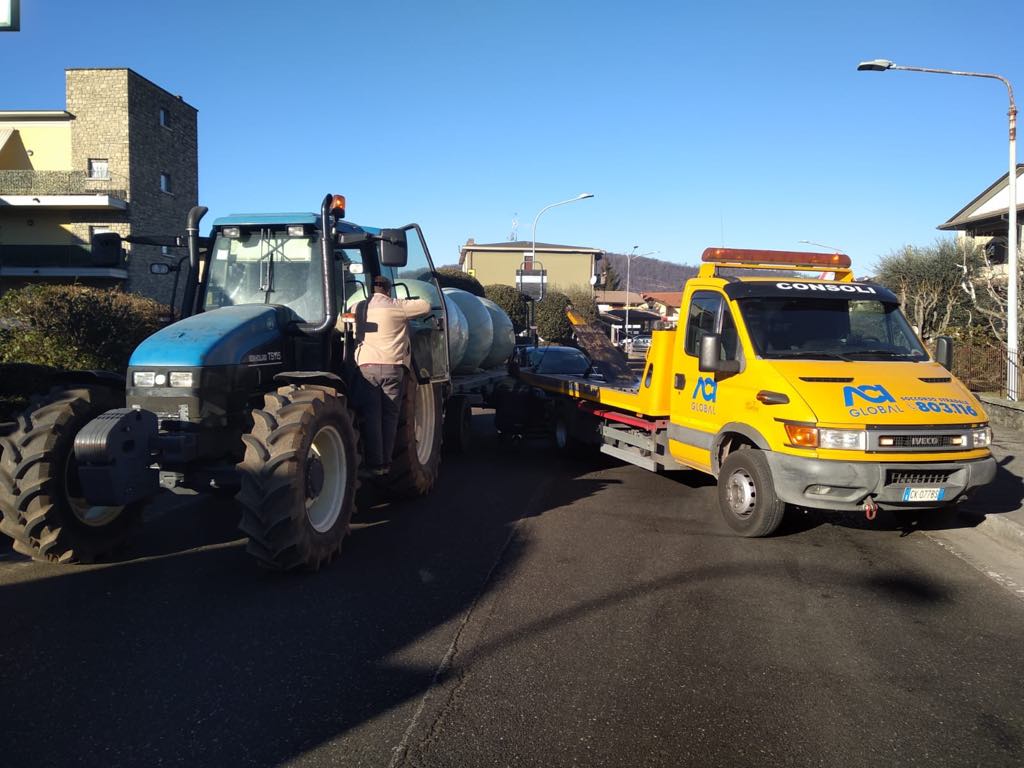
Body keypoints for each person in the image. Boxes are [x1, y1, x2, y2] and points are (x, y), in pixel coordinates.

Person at [353, 274, 432, 477]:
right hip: (392, 368)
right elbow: (426, 306)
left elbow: (338, 324)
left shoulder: (358, 308)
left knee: (371, 415)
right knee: (389, 416)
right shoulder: (396, 306)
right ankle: (385, 464)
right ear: (388, 290)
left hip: (366, 367)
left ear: (371, 290)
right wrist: (401, 300)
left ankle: (372, 463)